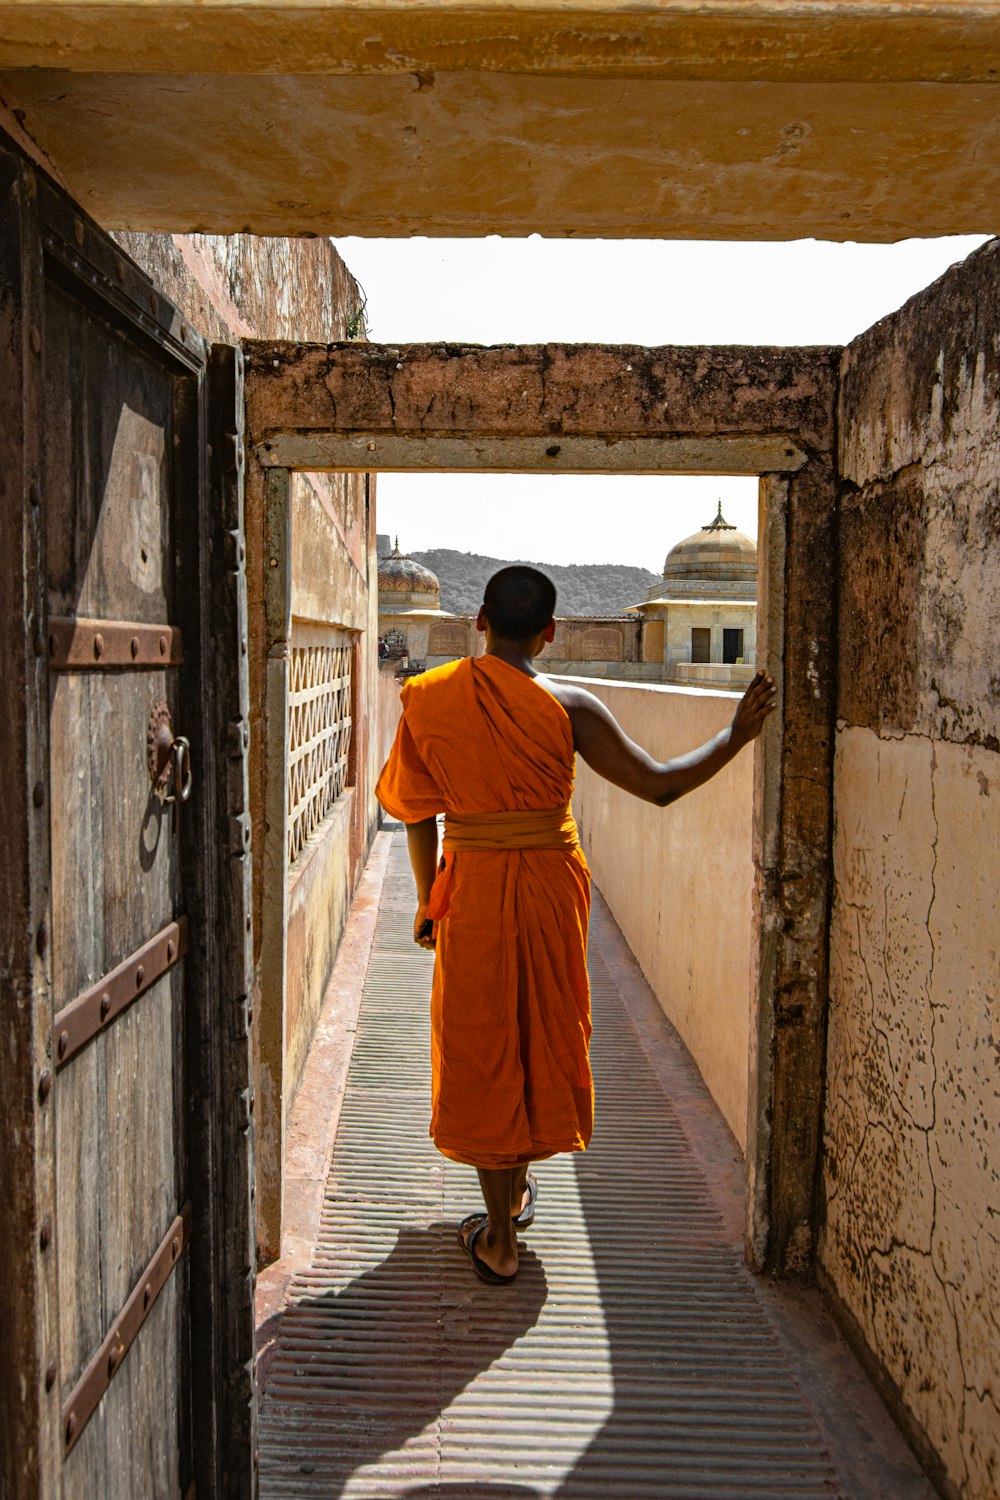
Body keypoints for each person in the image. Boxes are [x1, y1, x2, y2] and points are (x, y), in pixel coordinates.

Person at [376, 565, 776, 1286]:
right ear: (552, 633)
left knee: (483, 1036)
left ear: (480, 624)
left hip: (472, 887)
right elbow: (659, 785)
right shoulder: (573, 705)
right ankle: (515, 1193)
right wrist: (737, 735)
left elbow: (416, 810)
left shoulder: (430, 699)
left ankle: (498, 1232)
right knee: (538, 1027)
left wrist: (428, 898)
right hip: (553, 889)